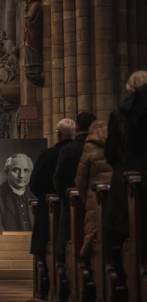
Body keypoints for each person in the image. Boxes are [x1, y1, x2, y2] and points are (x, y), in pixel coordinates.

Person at [30, 118, 75, 298]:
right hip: (81, 213)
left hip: (49, 211)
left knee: (44, 244)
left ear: (58, 133)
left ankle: (44, 286)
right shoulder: (83, 151)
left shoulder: (47, 155)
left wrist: (46, 195)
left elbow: (33, 184)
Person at [104, 70, 147, 247]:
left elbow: (111, 153)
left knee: (122, 238)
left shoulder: (120, 114)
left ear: (129, 90)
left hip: (126, 183)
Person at [53, 112, 96, 256]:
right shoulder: (101, 148)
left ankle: (67, 267)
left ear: (77, 127)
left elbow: (59, 178)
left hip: (72, 204)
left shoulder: (68, 150)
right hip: (98, 203)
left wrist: (64, 198)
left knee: (70, 238)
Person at [75, 120, 113, 259]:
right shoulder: (121, 143)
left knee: (95, 237)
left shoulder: (90, 146)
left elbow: (81, 179)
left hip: (95, 199)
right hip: (120, 198)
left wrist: (86, 198)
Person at [0, 153, 35, 233]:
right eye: (16, 170)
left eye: (26, 170)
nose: (21, 175)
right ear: (7, 172)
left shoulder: (35, 194)